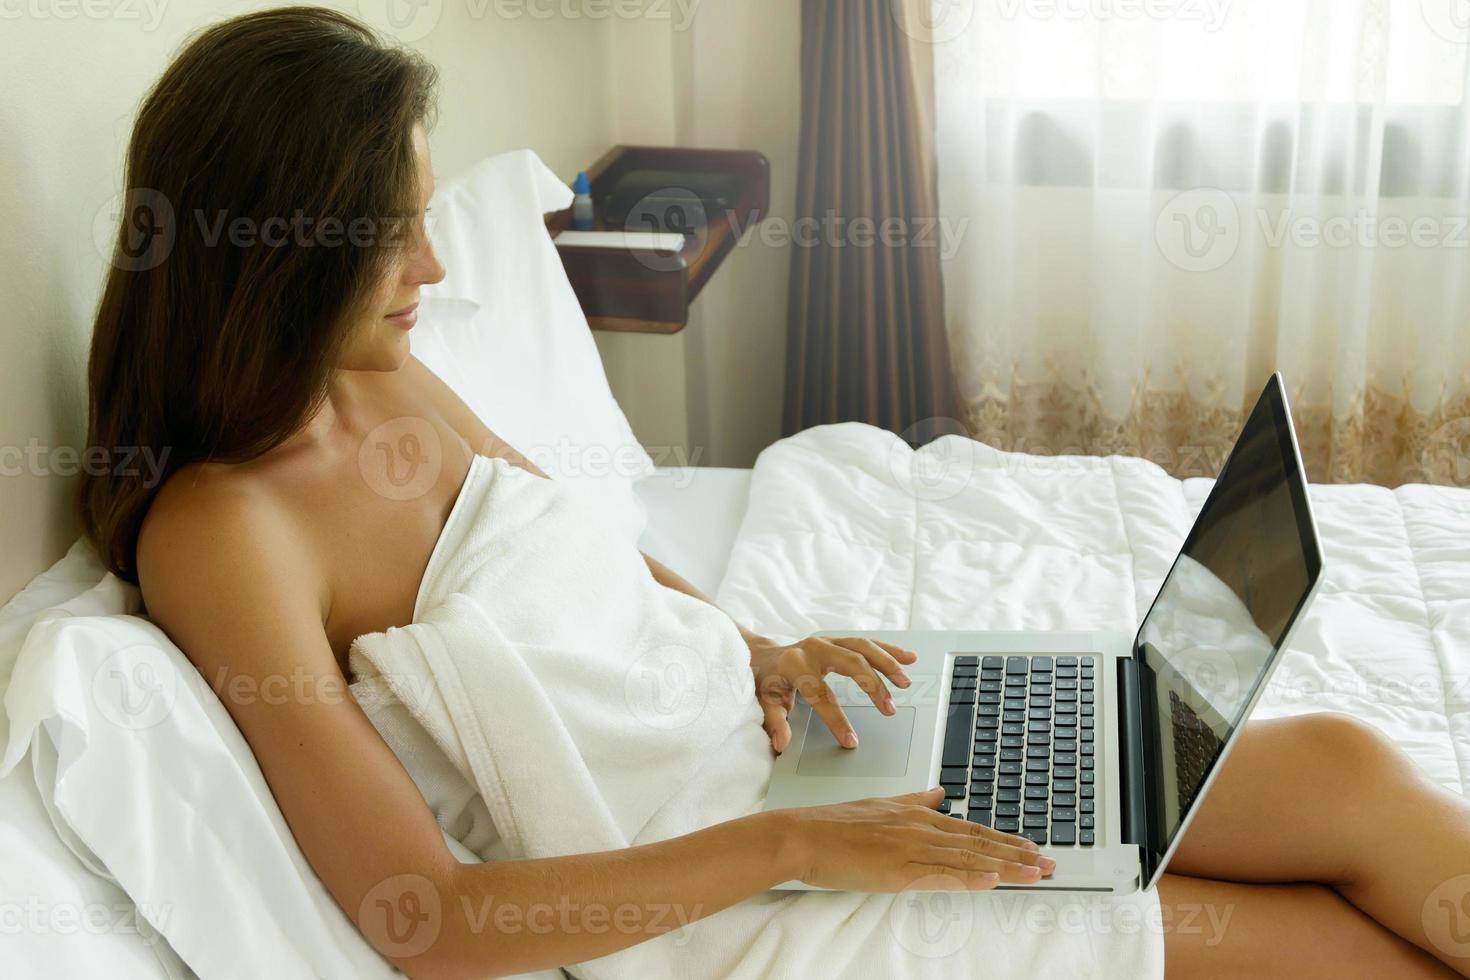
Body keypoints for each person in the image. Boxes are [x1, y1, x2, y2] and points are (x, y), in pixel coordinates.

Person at [78, 7, 1470, 978]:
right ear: (271, 248)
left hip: (780, 767)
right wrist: (800, 839)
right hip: (730, 906)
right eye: (388, 243)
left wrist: (759, 653)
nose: (432, 278)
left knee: (1345, 767)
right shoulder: (225, 529)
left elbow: (584, 551)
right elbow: (424, 923)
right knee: (1347, 952)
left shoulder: (381, 381)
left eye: (426, 229)